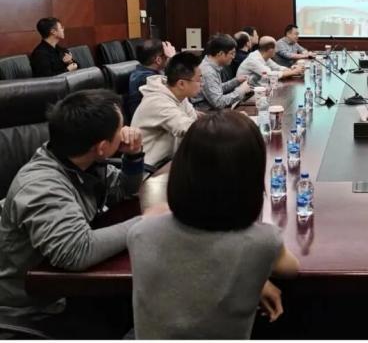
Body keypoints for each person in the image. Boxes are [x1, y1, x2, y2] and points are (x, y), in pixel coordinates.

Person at [127, 111, 300, 339]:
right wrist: (257, 279)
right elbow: (291, 269)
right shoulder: (263, 242)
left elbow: (190, 267)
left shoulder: (141, 232)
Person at [0, 90, 143, 337]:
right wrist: (145, 222)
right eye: (120, 129)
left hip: (69, 287)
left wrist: (133, 156)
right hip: (38, 306)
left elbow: (124, 190)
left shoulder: (81, 161)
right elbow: (77, 252)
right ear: (101, 147)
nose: (125, 132)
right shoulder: (42, 186)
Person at [130, 52, 202, 167]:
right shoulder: (157, 101)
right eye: (199, 80)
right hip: (151, 169)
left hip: (171, 161)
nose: (202, 84)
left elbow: (194, 124)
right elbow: (187, 128)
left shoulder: (179, 95)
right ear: (181, 84)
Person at [192, 34, 252, 109]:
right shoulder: (208, 72)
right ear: (220, 54)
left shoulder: (211, 66)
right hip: (208, 112)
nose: (233, 57)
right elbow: (218, 103)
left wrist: (236, 81)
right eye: (232, 53)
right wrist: (241, 91)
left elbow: (217, 88)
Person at [126, 39, 176, 119]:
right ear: (158, 60)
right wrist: (173, 59)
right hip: (147, 123)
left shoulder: (146, 71)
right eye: (166, 56)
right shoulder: (146, 78)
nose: (168, 59)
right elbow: (176, 92)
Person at [237, 36, 304, 86]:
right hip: (246, 94)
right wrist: (293, 72)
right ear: (270, 50)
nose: (276, 50)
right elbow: (270, 75)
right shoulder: (253, 59)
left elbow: (277, 67)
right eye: (275, 48)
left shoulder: (264, 56)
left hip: (257, 87)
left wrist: (291, 69)